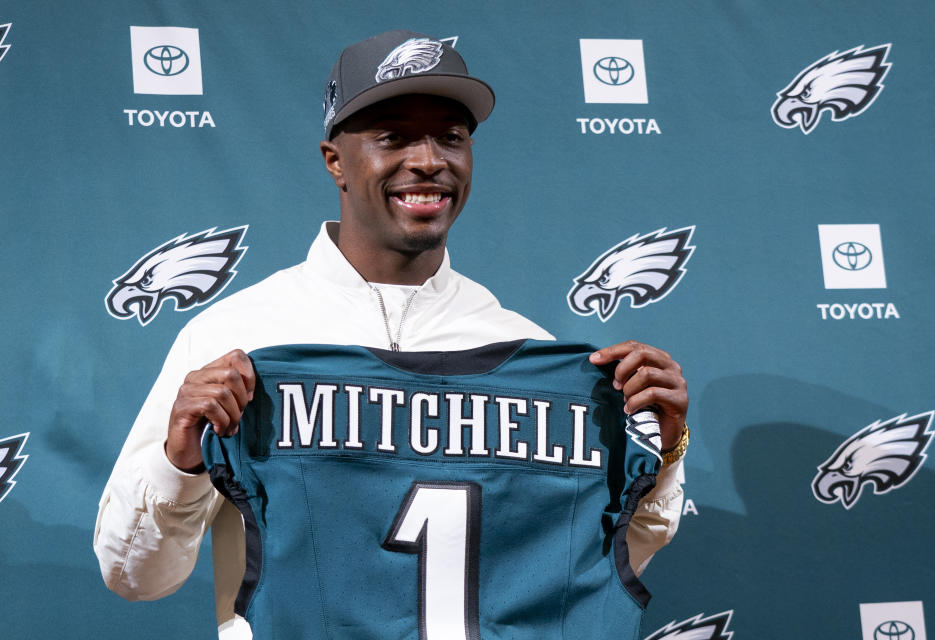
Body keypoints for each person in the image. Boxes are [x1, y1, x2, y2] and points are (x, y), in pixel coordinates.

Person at [94, 30, 688, 639]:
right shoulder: (236, 337)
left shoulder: (530, 352)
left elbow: (582, 571)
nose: (429, 159)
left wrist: (663, 455)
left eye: (451, 137)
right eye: (393, 136)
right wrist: (181, 460)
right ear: (335, 161)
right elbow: (135, 576)